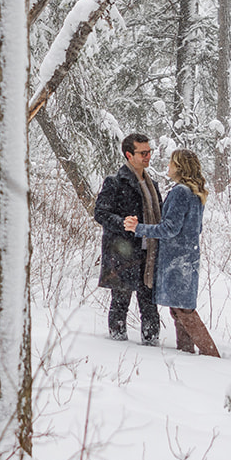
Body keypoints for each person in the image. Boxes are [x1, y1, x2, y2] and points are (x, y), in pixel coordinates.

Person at [122, 149, 220, 356]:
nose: (168, 166)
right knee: (179, 309)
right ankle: (186, 352)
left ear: (180, 167)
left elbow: (169, 229)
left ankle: (211, 355)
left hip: (176, 259)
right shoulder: (195, 192)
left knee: (184, 311)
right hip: (189, 256)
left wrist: (139, 228)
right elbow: (196, 228)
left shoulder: (180, 192)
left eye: (172, 163)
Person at [94, 133, 162, 344]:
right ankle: (117, 346)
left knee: (149, 304)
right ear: (129, 155)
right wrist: (123, 223)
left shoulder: (152, 184)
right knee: (120, 301)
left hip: (148, 253)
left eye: (149, 152)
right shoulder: (115, 182)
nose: (148, 156)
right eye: (143, 153)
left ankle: (152, 344)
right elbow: (100, 213)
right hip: (122, 253)